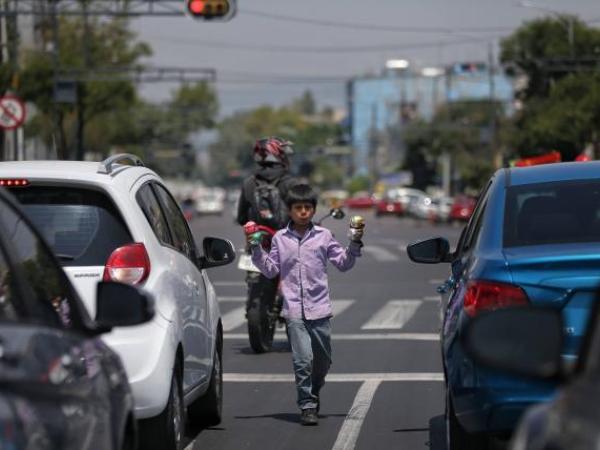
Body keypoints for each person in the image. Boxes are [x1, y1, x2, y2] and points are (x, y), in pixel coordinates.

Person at [245, 184, 364, 426]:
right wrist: (256, 248)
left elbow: (343, 263)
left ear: (313, 210)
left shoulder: (324, 236)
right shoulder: (280, 238)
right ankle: (307, 405)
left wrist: (354, 243)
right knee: (302, 361)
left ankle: (314, 389)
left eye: (307, 208)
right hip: (293, 311)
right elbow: (270, 270)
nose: (302, 212)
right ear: (289, 211)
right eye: (297, 208)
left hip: (320, 309)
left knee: (322, 361)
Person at [236, 137, 298, 231]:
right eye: (285, 154)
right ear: (278, 155)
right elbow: (301, 216)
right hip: (288, 240)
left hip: (259, 241)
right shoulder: (291, 183)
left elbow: (241, 219)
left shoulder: (249, 183)